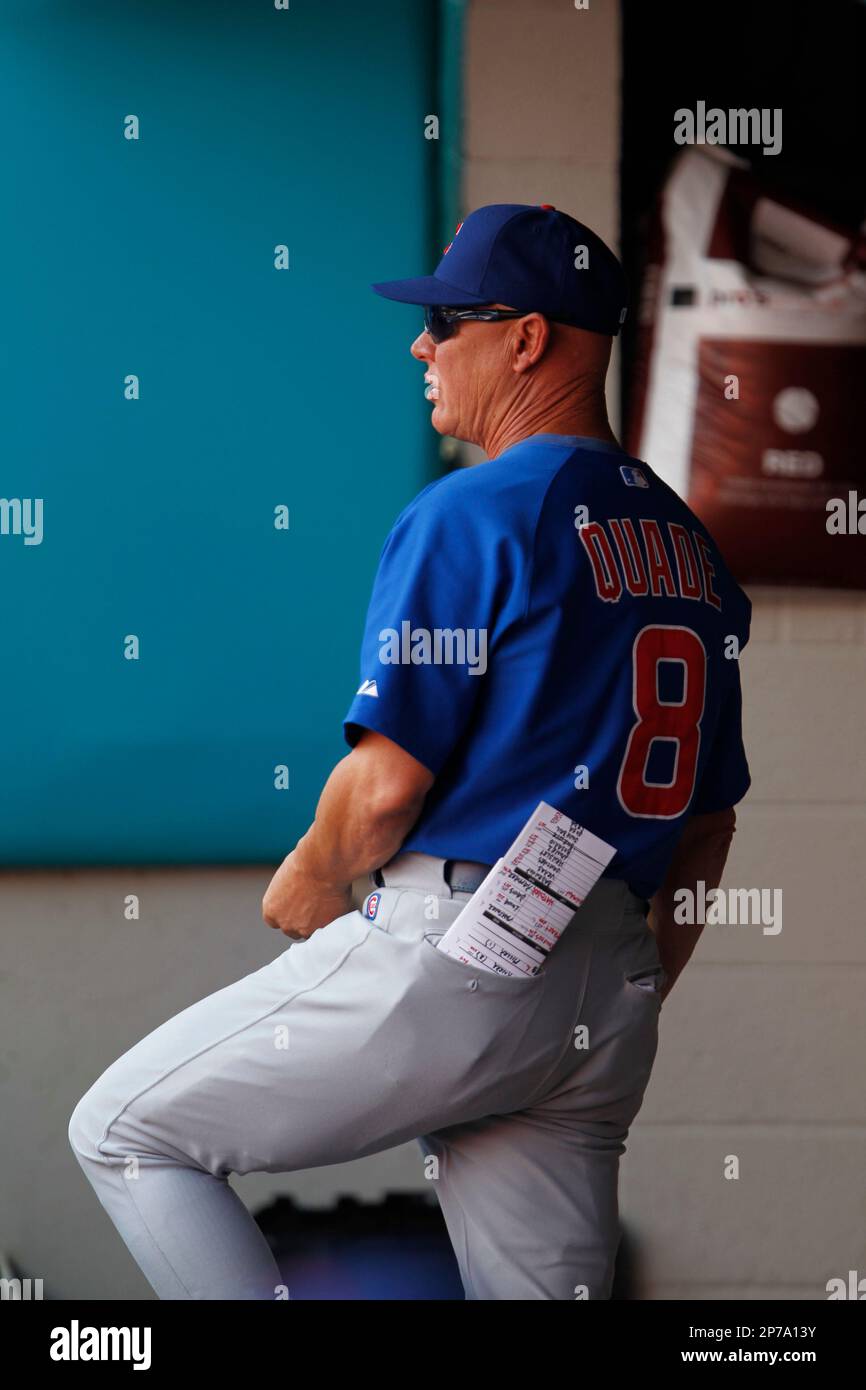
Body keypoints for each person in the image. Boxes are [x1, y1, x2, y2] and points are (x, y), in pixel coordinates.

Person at [68, 202, 750, 1300]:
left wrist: (309, 869)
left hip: (462, 945)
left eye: (447, 323)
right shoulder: (690, 547)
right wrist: (625, 988)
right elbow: (708, 827)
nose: (419, 345)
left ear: (526, 338)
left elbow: (383, 787)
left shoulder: (474, 509)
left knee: (123, 1131)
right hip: (603, 979)